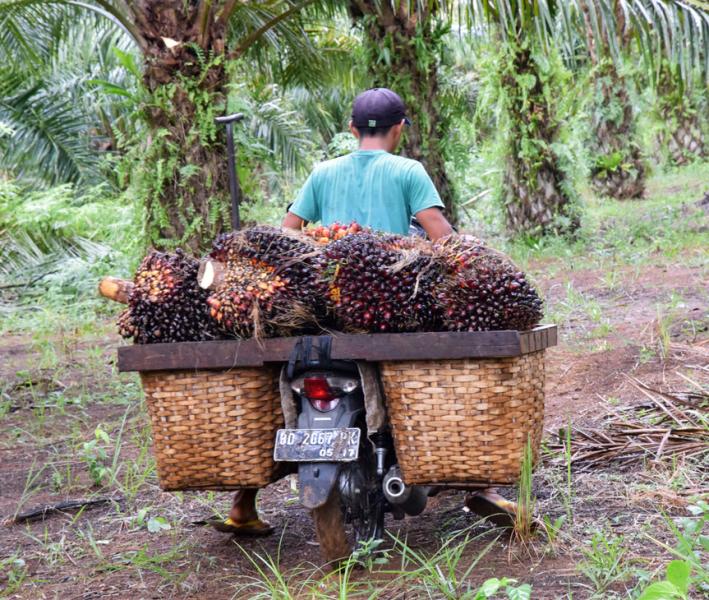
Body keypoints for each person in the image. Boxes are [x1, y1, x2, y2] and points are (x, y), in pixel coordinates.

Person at [213, 88, 510, 536]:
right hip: (388, 310)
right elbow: (442, 236)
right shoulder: (408, 171)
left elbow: (288, 233)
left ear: (352, 130)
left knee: (268, 391)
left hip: (321, 309)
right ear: (399, 130)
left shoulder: (322, 171)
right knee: (453, 370)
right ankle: (482, 485)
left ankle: (243, 500)